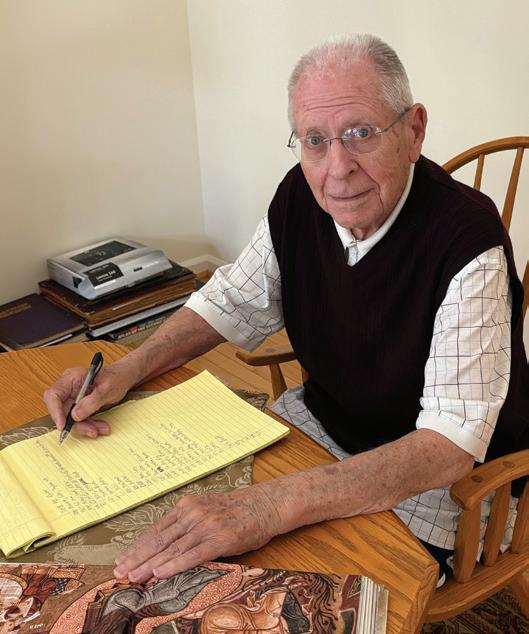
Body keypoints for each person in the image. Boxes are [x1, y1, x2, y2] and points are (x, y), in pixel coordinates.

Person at [44, 34, 529, 587]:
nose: (337, 168)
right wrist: (127, 367)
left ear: (414, 131)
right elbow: (229, 299)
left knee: (261, 590)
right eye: (315, 140)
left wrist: (271, 505)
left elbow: (447, 446)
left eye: (361, 133)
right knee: (168, 530)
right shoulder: (302, 195)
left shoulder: (468, 240)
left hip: (440, 486)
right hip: (319, 426)